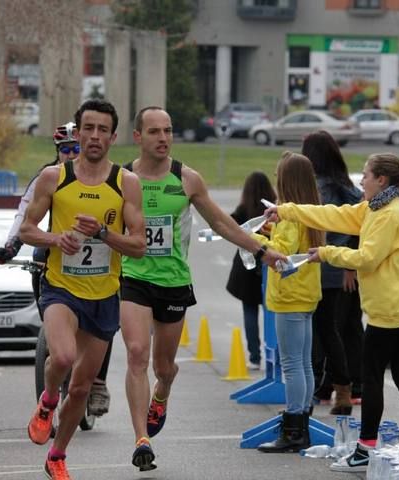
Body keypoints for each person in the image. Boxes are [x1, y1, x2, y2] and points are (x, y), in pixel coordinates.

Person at [120, 106, 286, 471]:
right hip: (133, 277)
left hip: (174, 282)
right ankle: (141, 439)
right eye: (154, 132)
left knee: (163, 366)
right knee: (136, 353)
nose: (163, 138)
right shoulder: (121, 179)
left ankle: (163, 390)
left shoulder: (187, 179)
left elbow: (222, 224)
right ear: (137, 137)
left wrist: (261, 250)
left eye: (168, 130)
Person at [265, 153, 399, 472]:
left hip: (391, 311)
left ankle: (365, 451)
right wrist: (286, 209)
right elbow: (335, 215)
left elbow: (367, 258)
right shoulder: (375, 208)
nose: (360, 181)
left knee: (371, 379)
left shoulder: (388, 215)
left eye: (365, 175)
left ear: (381, 180)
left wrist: (325, 253)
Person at [18, 99, 146, 480]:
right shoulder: (53, 178)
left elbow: (139, 245)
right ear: (78, 131)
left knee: (82, 389)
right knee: (61, 357)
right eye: (87, 128)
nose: (94, 136)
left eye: (102, 130)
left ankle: (57, 455)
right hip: (60, 288)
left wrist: (104, 233)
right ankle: (46, 403)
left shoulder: (127, 183)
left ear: (113, 136)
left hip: (104, 295)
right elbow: (26, 229)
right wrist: (57, 239)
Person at [0, 121, 113, 416]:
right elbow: (24, 215)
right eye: (65, 150)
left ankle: (97, 382)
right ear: (57, 152)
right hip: (52, 254)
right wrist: (11, 246)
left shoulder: (106, 175)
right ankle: (54, 363)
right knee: (54, 325)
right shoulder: (47, 178)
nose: (71, 154)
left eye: (76, 148)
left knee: (103, 325)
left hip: (99, 259)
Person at [252, 152, 323, 454]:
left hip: (289, 296)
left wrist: (255, 240)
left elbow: (280, 255)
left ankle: (294, 429)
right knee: (303, 362)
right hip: (305, 294)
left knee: (291, 364)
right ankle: (302, 419)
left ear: (287, 181)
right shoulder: (309, 211)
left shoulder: (291, 216)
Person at [302, 131, 364, 413]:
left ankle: (317, 389)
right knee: (343, 329)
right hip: (344, 267)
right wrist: (351, 265)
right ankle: (346, 387)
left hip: (322, 267)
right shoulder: (347, 188)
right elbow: (360, 227)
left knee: (319, 332)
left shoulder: (317, 189)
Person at [225, 171, 277, 370]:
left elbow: (228, 226)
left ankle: (254, 356)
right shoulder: (273, 208)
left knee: (250, 311)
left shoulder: (242, 209)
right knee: (271, 312)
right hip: (269, 263)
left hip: (246, 267)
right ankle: (274, 352)